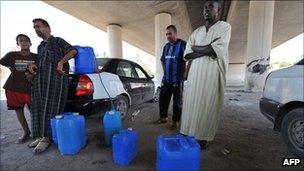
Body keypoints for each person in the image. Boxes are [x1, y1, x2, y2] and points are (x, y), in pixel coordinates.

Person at [180, 0, 231, 149]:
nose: (206, 10)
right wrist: (206, 48)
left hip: (212, 76)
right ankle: (189, 132)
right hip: (195, 76)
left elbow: (216, 50)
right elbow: (187, 54)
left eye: (210, 7)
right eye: (205, 7)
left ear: (218, 10)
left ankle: (203, 138)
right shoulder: (197, 32)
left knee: (208, 104)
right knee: (192, 104)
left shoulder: (225, 27)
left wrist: (197, 48)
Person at [28, 18, 77, 154]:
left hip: (55, 82)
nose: (36, 29)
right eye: (34, 27)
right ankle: (41, 136)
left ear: (47, 28)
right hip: (40, 82)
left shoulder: (58, 41)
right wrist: (33, 66)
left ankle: (47, 138)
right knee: (38, 108)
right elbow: (41, 62)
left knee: (51, 109)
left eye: (38, 26)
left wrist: (61, 62)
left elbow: (72, 51)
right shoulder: (40, 46)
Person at [0, 34, 37, 143]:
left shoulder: (36, 57)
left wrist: (33, 75)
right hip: (13, 87)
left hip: (30, 88)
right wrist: (12, 68)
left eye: (26, 40)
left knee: (34, 111)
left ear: (30, 43)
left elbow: (39, 69)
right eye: (21, 40)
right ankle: (26, 132)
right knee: (19, 111)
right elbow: (2, 62)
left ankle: (39, 133)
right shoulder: (12, 55)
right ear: (18, 43)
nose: (24, 42)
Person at [154, 25, 186, 130]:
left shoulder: (182, 44)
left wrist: (183, 75)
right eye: (166, 34)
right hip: (167, 79)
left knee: (177, 101)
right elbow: (162, 60)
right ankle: (163, 117)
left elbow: (187, 60)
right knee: (163, 99)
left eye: (170, 33)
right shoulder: (166, 46)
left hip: (177, 79)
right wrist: (165, 73)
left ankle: (175, 121)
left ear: (175, 33)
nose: (168, 36)